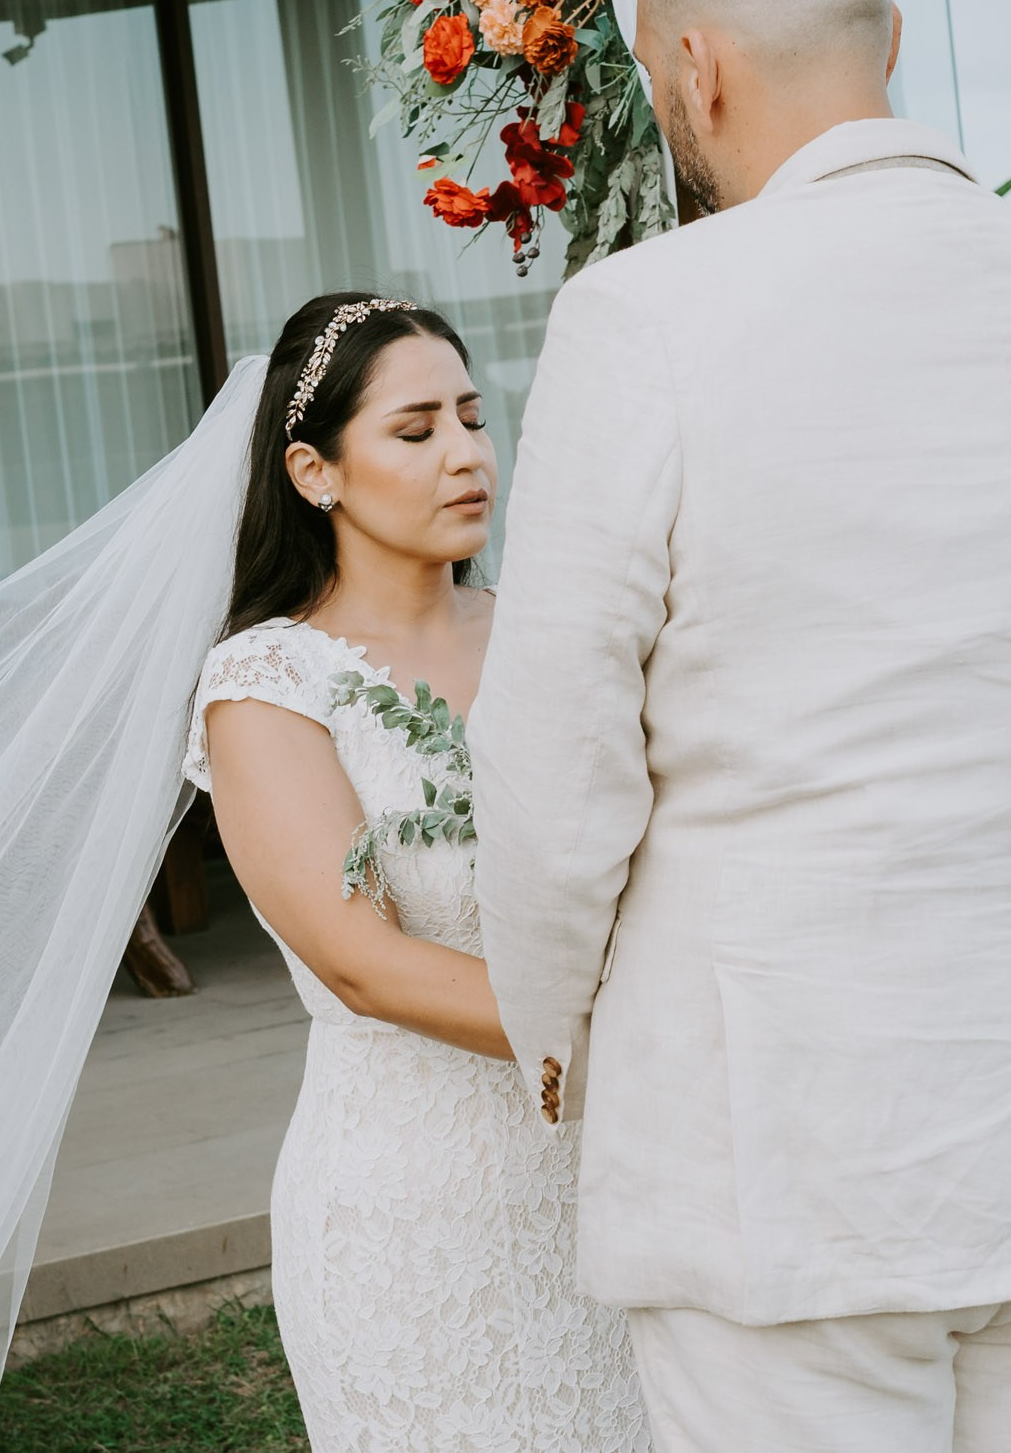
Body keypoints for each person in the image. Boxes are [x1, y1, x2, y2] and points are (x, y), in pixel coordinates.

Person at [469, 0, 1011, 1453]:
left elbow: (555, 768)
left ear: (691, 66)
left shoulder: (645, 319)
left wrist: (550, 1029)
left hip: (791, 1156)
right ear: (887, 39)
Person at [186, 293, 647, 1452]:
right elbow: (363, 962)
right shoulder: (269, 684)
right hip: (418, 1213)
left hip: (633, 1176)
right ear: (314, 469)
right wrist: (650, 1031)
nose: (466, 454)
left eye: (474, 416)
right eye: (415, 428)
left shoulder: (555, 632)